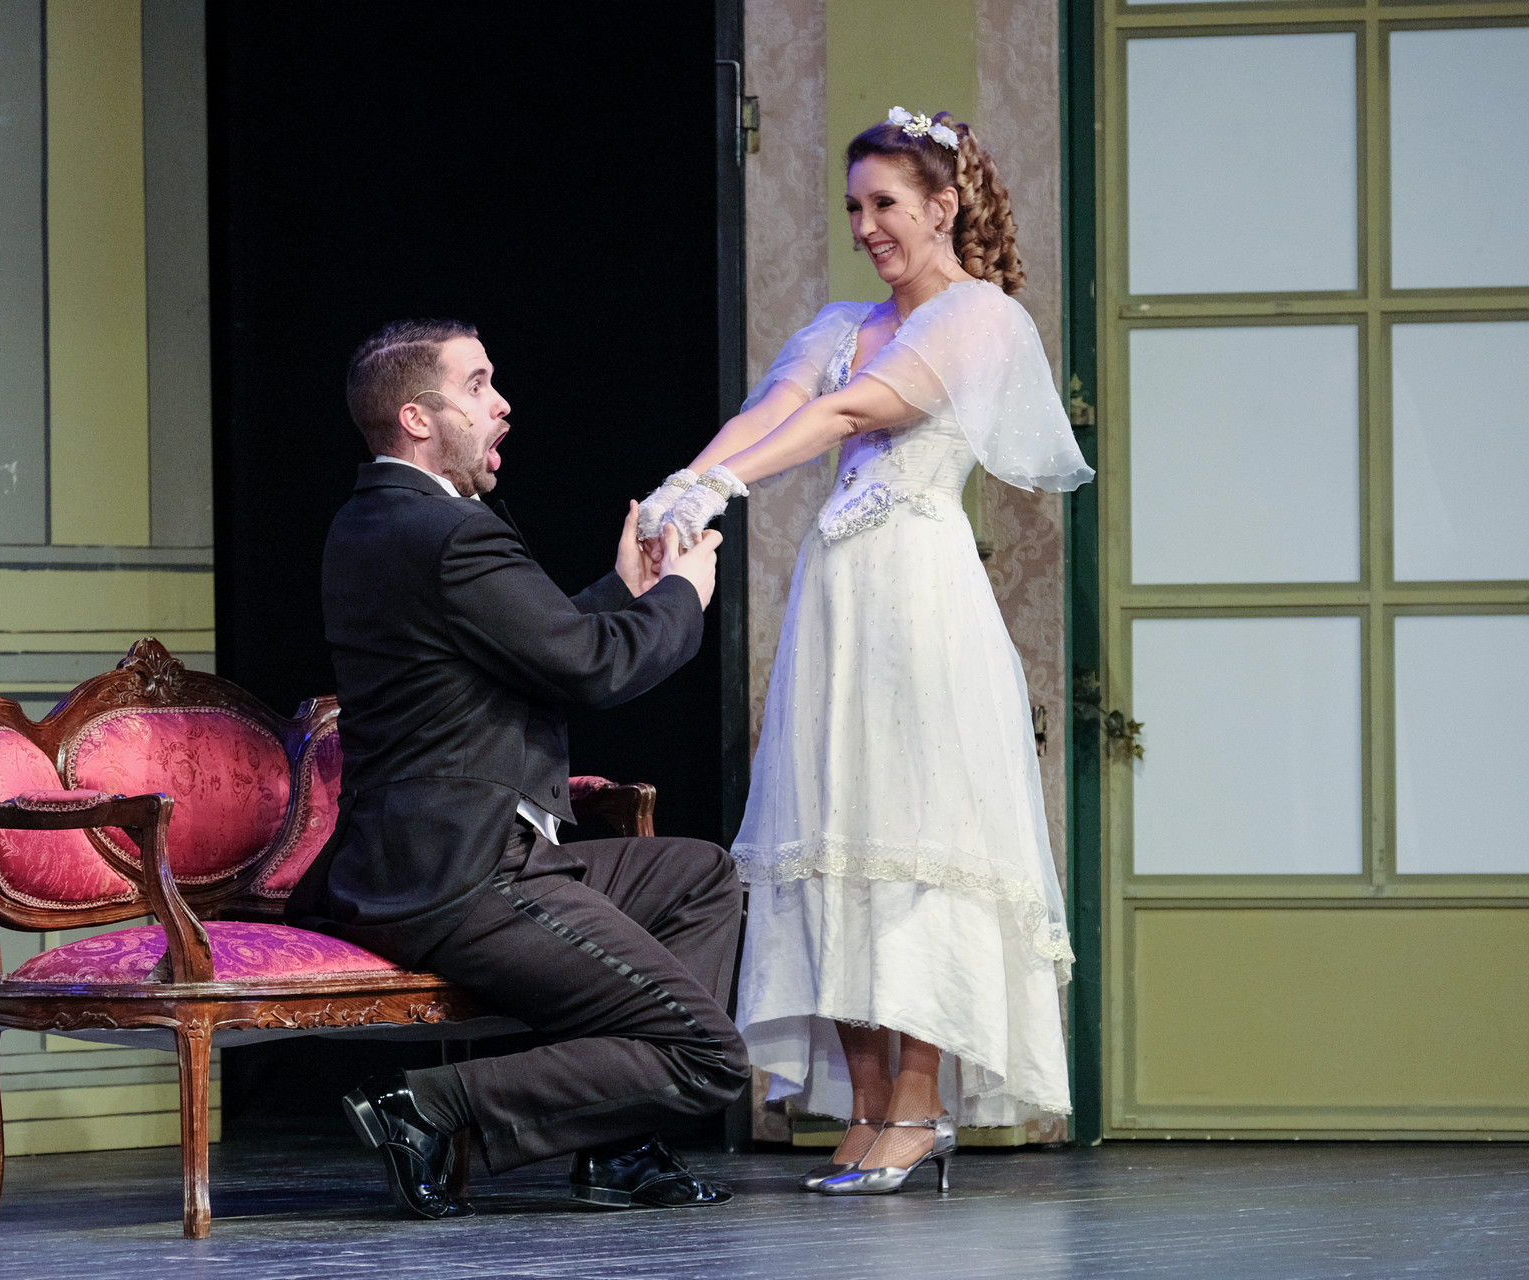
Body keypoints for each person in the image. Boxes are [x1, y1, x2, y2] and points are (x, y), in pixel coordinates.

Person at [639, 108, 1093, 1196]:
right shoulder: (843, 321)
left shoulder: (981, 316)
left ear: (943, 207)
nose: (866, 226)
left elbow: (854, 413)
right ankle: (865, 1099)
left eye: (885, 203)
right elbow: (777, 407)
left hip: (922, 596)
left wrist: (723, 487)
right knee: (829, 825)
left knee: (916, 827)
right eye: (854, 207)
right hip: (838, 599)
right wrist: (682, 485)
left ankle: (921, 1104)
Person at [287, 318, 750, 1220]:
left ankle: (618, 1146)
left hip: (440, 857)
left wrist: (624, 593)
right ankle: (427, 1106)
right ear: (417, 417)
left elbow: (532, 648)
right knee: (708, 1055)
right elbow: (591, 668)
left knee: (700, 877)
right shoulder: (447, 532)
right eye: (478, 386)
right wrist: (680, 598)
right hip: (462, 872)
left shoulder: (378, 519)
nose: (501, 405)